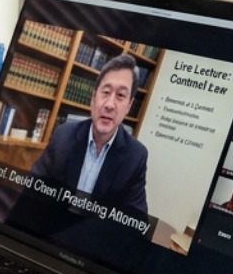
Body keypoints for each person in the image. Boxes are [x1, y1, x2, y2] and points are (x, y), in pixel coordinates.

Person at [28, 53, 149, 214]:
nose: (109, 105)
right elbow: (32, 189)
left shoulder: (135, 156)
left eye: (120, 95)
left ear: (129, 106)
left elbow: (134, 220)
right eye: (106, 92)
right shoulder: (63, 136)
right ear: (93, 98)